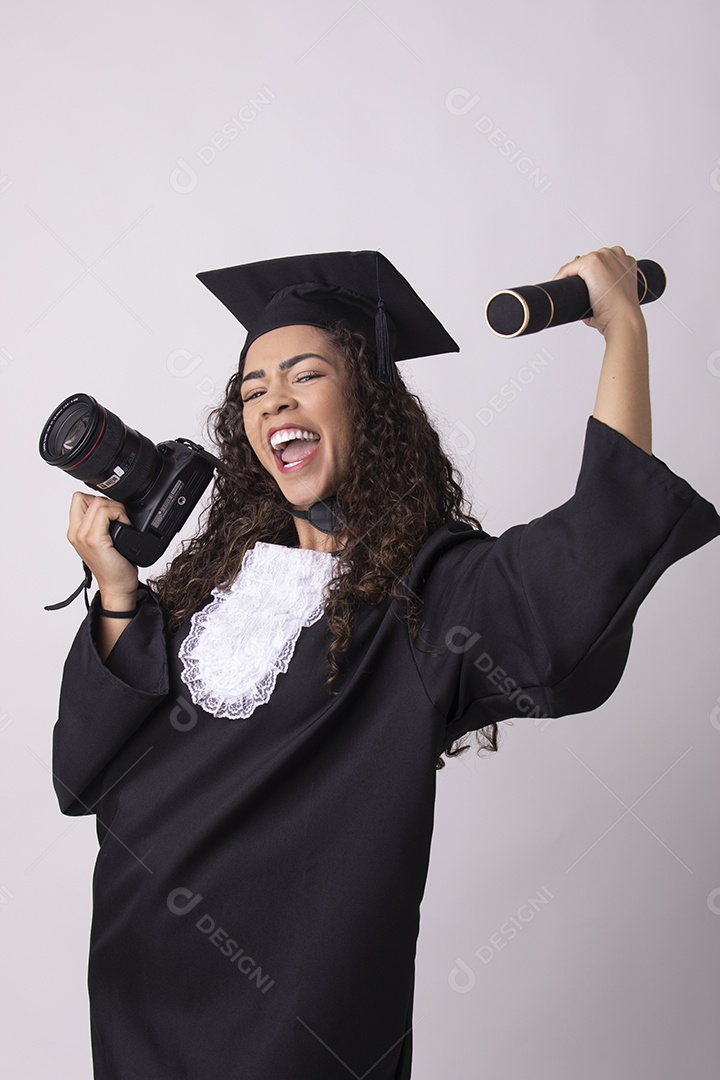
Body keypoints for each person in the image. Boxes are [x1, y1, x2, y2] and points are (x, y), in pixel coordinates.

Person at [52, 247, 720, 1080]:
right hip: (137, 1002)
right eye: (253, 390)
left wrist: (622, 326)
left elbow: (595, 544)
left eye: (305, 375)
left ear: (366, 397)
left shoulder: (426, 597)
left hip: (298, 1029)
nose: (275, 402)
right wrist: (118, 591)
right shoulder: (202, 593)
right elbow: (80, 775)